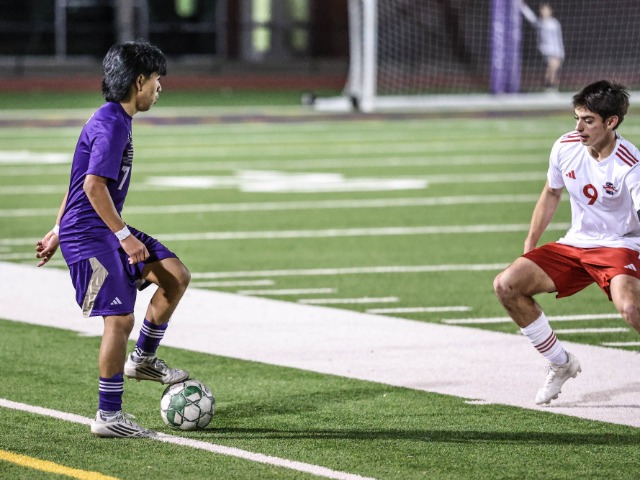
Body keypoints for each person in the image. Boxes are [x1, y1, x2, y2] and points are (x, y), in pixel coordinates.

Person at [35, 40, 191, 438]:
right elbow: (92, 186)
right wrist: (123, 237)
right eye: (156, 79)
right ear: (139, 82)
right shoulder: (111, 124)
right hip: (90, 236)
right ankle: (108, 416)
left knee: (175, 276)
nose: (159, 87)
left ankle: (142, 360)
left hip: (96, 228)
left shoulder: (113, 118)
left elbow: (77, 182)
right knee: (119, 319)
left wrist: (56, 230)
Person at [493, 80, 640, 405]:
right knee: (506, 285)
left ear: (611, 122)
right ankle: (560, 363)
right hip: (575, 244)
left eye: (588, 120)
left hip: (620, 244)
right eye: (577, 118)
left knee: (631, 308)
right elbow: (551, 192)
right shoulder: (565, 146)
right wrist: (531, 242)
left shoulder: (630, 163)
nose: (579, 128)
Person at [520, 1, 564, 91]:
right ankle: (549, 86)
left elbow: (559, 39)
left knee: (553, 70)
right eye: (542, 10)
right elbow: (530, 16)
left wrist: (561, 52)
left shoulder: (555, 23)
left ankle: (552, 87)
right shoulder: (539, 23)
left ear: (550, 11)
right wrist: (521, 5)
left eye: (546, 10)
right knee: (552, 66)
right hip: (546, 51)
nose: (544, 12)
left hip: (557, 51)